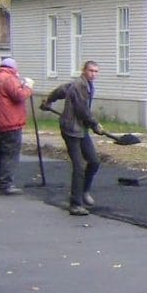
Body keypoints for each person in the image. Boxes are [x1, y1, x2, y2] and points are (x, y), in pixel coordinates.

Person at [43, 61, 102, 216]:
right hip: (70, 129)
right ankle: (75, 204)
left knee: (94, 161)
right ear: (84, 70)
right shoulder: (79, 86)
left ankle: (83, 191)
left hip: (81, 129)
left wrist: (49, 100)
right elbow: (81, 109)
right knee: (79, 166)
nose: (93, 74)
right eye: (91, 70)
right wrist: (95, 124)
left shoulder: (85, 84)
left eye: (96, 71)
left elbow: (61, 90)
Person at [0, 57, 34, 195]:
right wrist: (28, 87)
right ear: (13, 68)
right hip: (10, 123)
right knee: (10, 154)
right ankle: (6, 184)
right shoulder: (9, 79)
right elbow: (19, 95)